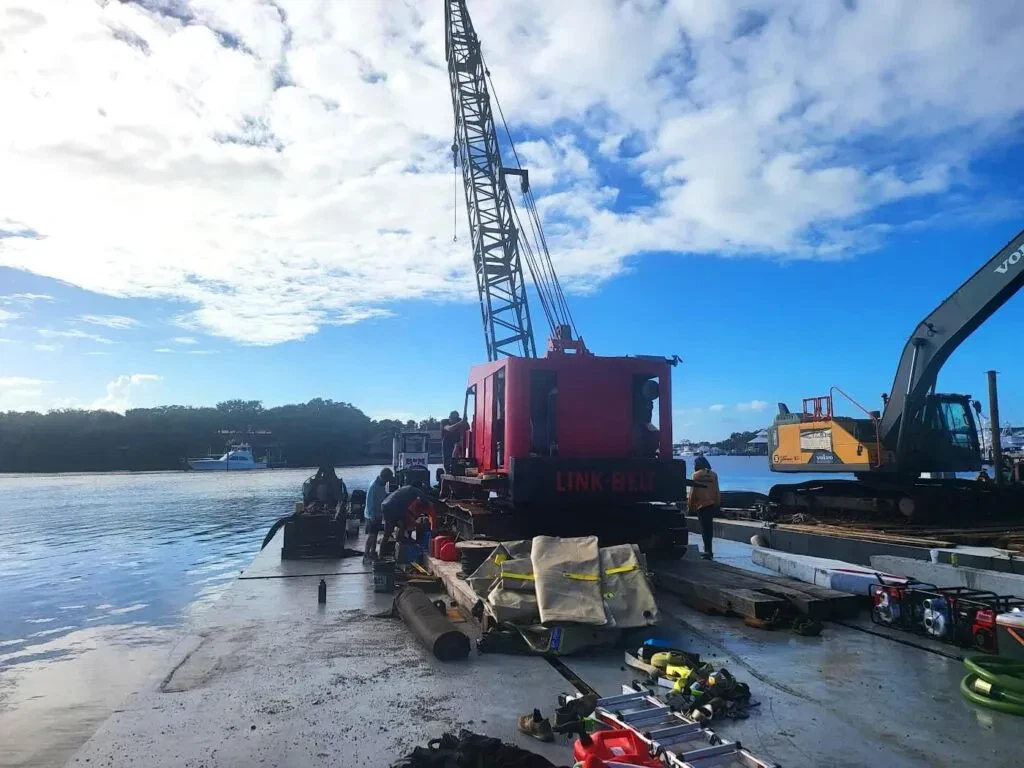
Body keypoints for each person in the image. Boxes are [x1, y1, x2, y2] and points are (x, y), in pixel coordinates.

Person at [688, 455, 720, 560]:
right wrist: (717, 503)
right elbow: (717, 490)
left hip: (701, 505)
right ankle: (709, 550)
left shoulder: (696, 475)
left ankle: (707, 551)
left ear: (698, 464)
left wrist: (690, 506)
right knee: (709, 529)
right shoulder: (713, 475)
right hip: (711, 504)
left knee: (704, 529)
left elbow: (693, 492)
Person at [363, 467, 394, 559]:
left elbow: (383, 497)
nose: (388, 482)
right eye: (387, 479)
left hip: (378, 514)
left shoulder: (382, 485)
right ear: (384, 477)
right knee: (371, 535)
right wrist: (372, 515)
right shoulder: (373, 486)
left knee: (375, 534)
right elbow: (369, 502)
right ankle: (366, 553)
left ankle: (373, 552)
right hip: (371, 515)